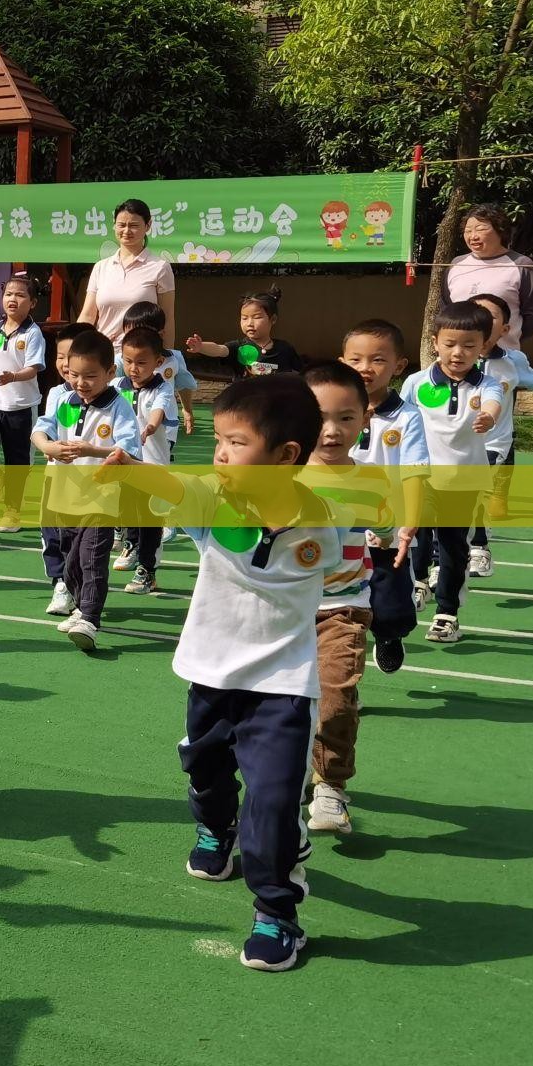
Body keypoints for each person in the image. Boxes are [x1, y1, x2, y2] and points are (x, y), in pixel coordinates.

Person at [110, 376, 348, 972]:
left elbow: (347, 561)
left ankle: (277, 915)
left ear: (285, 457)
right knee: (206, 772)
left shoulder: (322, 519)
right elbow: (172, 483)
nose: (219, 454)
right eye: (218, 440)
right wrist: (128, 468)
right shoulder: (212, 505)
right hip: (211, 677)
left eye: (235, 442)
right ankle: (216, 831)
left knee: (271, 806)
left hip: (283, 688)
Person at [299, 362, 403, 839]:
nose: (332, 430)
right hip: (287, 609)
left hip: (344, 607)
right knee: (284, 704)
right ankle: (290, 769)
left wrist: (388, 532)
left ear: (365, 419)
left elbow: (382, 528)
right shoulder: (283, 475)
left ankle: (331, 785)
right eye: (319, 416)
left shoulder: (371, 479)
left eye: (346, 417)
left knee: (337, 697)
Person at [30, 327, 142, 650]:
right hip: (65, 498)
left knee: (92, 558)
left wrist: (91, 450)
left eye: (90, 376)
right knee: (71, 563)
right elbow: (40, 431)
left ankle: (90, 618)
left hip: (101, 500)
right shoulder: (65, 400)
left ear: (111, 372)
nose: (81, 383)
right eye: (75, 375)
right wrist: (48, 448)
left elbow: (127, 451)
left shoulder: (119, 407)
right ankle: (80, 607)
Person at [401, 301, 504, 644]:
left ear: (484, 346)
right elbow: (401, 421)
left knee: (452, 547)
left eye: (469, 345)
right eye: (449, 344)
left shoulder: (485, 385)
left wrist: (488, 416)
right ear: (435, 342)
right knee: (415, 534)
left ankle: (447, 613)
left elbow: (493, 402)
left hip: (463, 481)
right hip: (420, 476)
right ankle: (418, 583)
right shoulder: (416, 383)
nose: (458, 352)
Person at [340, 318, 428, 674]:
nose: (365, 368)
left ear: (399, 366)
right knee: (335, 608)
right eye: (355, 360)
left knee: (390, 606)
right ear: (342, 361)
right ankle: (341, 679)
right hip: (336, 527)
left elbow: (415, 471)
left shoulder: (406, 417)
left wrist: (410, 521)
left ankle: (389, 636)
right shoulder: (329, 409)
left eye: (377, 360)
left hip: (385, 531)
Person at [468, 293, 533, 576]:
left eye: (490, 316)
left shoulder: (512, 361)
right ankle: (444, 555)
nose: (481, 319)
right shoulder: (453, 360)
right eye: (475, 312)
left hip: (495, 441)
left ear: (504, 329)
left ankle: (480, 547)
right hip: (457, 444)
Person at [0, 273, 46, 532]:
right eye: (8, 294)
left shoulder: (34, 333)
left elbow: (34, 368)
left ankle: (12, 513)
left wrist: (13, 376)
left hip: (21, 406)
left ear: (32, 302)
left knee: (17, 461)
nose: (13, 299)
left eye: (20, 295)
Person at [39, 322, 97, 618]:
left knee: (81, 544)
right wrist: (47, 447)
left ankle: (83, 592)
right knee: (52, 533)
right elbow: (43, 429)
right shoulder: (55, 394)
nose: (64, 364)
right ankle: (60, 582)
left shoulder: (104, 396)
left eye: (71, 358)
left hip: (89, 486)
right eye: (60, 356)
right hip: (56, 478)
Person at [437, 203, 533, 351]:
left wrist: (508, 336)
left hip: (504, 356)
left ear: (500, 230)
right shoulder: (456, 264)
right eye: (468, 231)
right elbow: (446, 307)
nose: (473, 236)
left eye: (481, 229)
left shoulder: (521, 264)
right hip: (460, 357)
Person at [117, 324, 178, 596]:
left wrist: (150, 427)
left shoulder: (162, 389)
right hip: (124, 461)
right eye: (128, 361)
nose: (134, 368)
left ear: (158, 361)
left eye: (141, 362)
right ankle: (130, 544)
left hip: (152, 462)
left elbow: (157, 413)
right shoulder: (116, 386)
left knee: (150, 517)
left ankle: (147, 570)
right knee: (127, 507)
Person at [77, 198, 175, 344]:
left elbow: (167, 318)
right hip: (104, 356)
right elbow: (88, 315)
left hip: (143, 358)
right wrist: (75, 348)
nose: (126, 231)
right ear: (114, 226)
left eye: (134, 225)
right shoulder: (101, 267)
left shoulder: (160, 267)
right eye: (121, 225)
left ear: (148, 226)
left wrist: (168, 357)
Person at [114, 299, 196, 436]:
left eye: (143, 334)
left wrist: (187, 410)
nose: (136, 340)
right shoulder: (121, 361)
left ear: (161, 334)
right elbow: (110, 389)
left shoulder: (173, 358)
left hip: (165, 426)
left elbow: (184, 384)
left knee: (160, 455)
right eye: (130, 334)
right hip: (129, 423)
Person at [185, 287, 302, 378]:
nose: (250, 323)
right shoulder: (239, 347)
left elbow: (301, 374)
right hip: (245, 402)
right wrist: (201, 347)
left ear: (273, 319)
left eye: (256, 317)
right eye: (244, 318)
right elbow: (219, 349)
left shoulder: (285, 349)